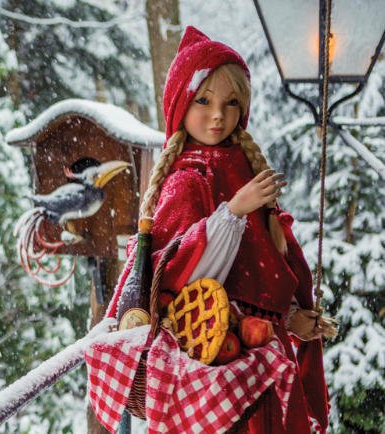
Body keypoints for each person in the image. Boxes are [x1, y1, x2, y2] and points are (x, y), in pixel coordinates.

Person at [99, 26, 331, 433]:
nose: (218, 115)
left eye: (231, 102)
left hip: (256, 363)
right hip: (208, 369)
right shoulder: (187, 179)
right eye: (203, 100)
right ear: (181, 104)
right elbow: (180, 278)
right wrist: (233, 212)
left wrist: (289, 314)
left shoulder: (242, 166)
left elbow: (264, 267)